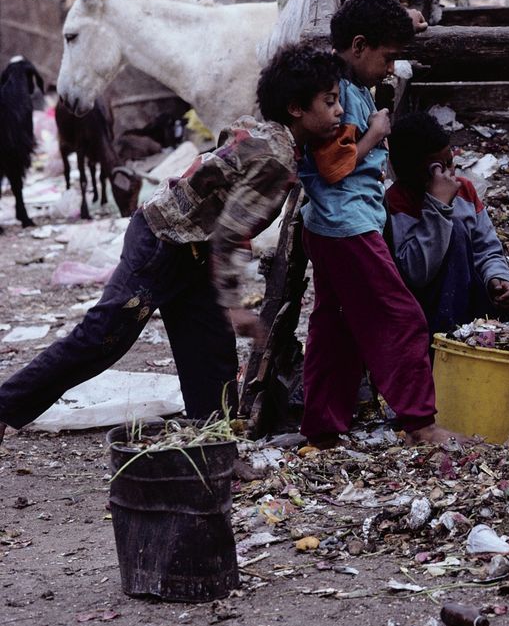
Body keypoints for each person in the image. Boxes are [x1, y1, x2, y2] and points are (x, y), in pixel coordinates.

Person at [0, 43, 346, 443]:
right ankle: (5, 406)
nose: (339, 111)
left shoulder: (270, 136)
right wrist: (235, 305)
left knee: (211, 354)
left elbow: (223, 147)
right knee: (101, 339)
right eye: (330, 101)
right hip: (162, 242)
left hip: (191, 251)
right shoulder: (277, 158)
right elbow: (230, 233)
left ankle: (217, 450)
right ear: (296, 108)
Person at [297, 0, 457, 448]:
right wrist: (375, 132)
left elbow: (363, 31)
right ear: (360, 45)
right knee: (401, 316)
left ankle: (323, 428)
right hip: (348, 226)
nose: (391, 68)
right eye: (387, 57)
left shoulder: (340, 76)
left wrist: (403, 20)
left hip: (328, 226)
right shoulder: (338, 97)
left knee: (335, 327)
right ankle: (421, 423)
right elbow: (334, 166)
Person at [384, 111, 509, 335]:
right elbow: (416, 274)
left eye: (451, 163)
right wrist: (438, 208)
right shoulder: (396, 204)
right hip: (431, 308)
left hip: (472, 293)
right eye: (438, 169)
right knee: (456, 230)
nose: (449, 173)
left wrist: (498, 279)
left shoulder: (464, 190)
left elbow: (487, 249)